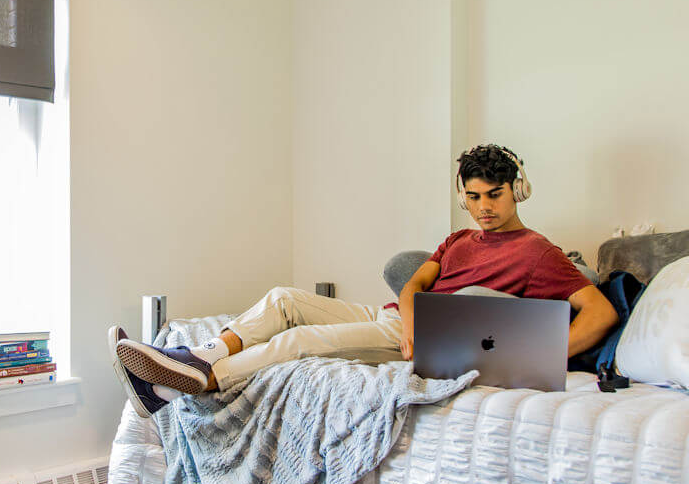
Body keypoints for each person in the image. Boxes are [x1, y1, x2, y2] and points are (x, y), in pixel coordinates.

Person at [109, 145, 619, 417]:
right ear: (462, 195)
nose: (483, 207)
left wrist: (532, 356)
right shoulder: (460, 239)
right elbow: (414, 285)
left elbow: (602, 313)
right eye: (473, 196)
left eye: (495, 195)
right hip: (399, 322)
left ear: (517, 191)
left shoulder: (537, 252)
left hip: (440, 341)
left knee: (302, 340)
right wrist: (411, 324)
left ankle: (199, 380)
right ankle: (195, 361)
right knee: (283, 299)